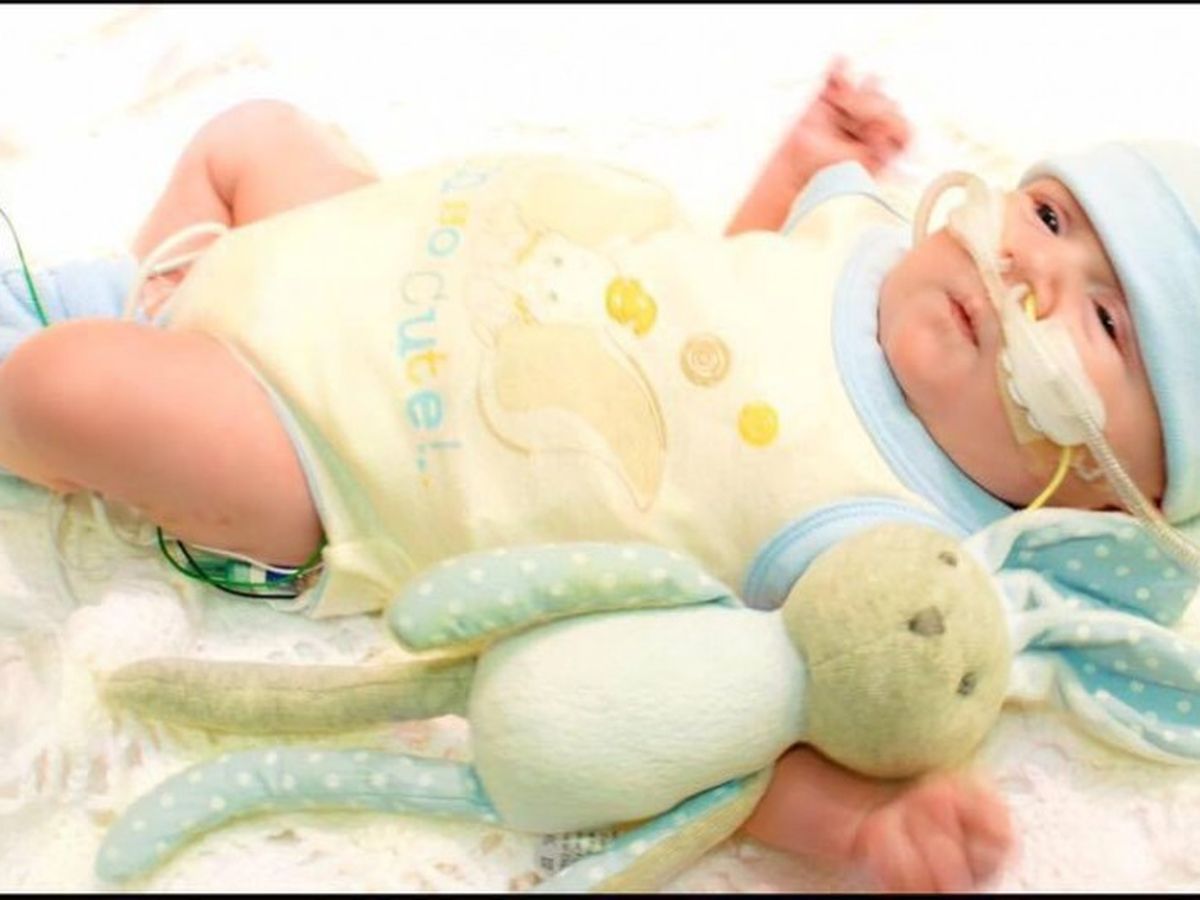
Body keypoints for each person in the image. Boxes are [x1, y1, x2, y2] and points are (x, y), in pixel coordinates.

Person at [5, 55, 1198, 889]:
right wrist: (800, 164)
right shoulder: (869, 245)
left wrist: (864, 828)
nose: (1032, 274)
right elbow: (719, 295)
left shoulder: (893, 553)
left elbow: (740, 720)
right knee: (254, 134)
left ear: (1120, 493)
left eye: (1104, 322)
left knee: (73, 390)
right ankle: (156, 293)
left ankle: (90, 375)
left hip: (345, 448)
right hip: (381, 256)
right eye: (1050, 218)